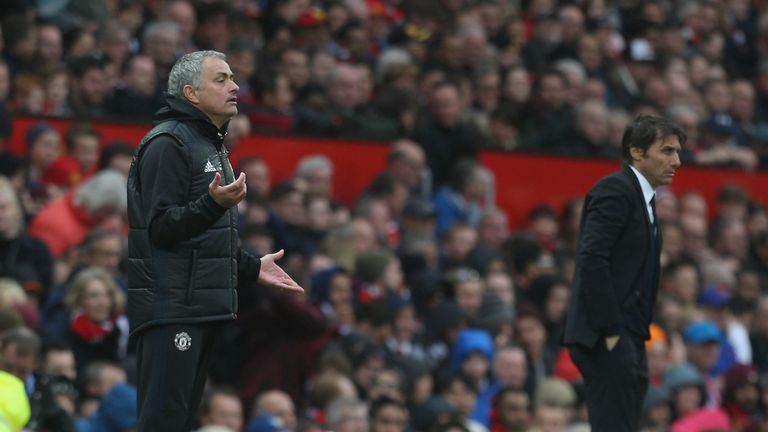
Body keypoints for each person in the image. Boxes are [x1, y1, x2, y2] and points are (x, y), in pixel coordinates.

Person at [126, 50, 303, 431]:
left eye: (232, 78)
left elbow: (204, 239)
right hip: (171, 310)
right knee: (162, 424)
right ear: (191, 93)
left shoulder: (210, 144)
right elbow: (161, 228)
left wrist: (252, 266)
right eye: (221, 79)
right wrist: (211, 204)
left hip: (198, 308)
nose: (235, 86)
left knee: (180, 422)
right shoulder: (168, 143)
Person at [563, 115, 685, 431]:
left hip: (630, 334)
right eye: (667, 151)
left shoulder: (642, 196)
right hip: (608, 335)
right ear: (636, 152)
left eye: (677, 151)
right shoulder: (615, 190)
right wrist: (612, 329)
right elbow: (592, 259)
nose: (677, 161)